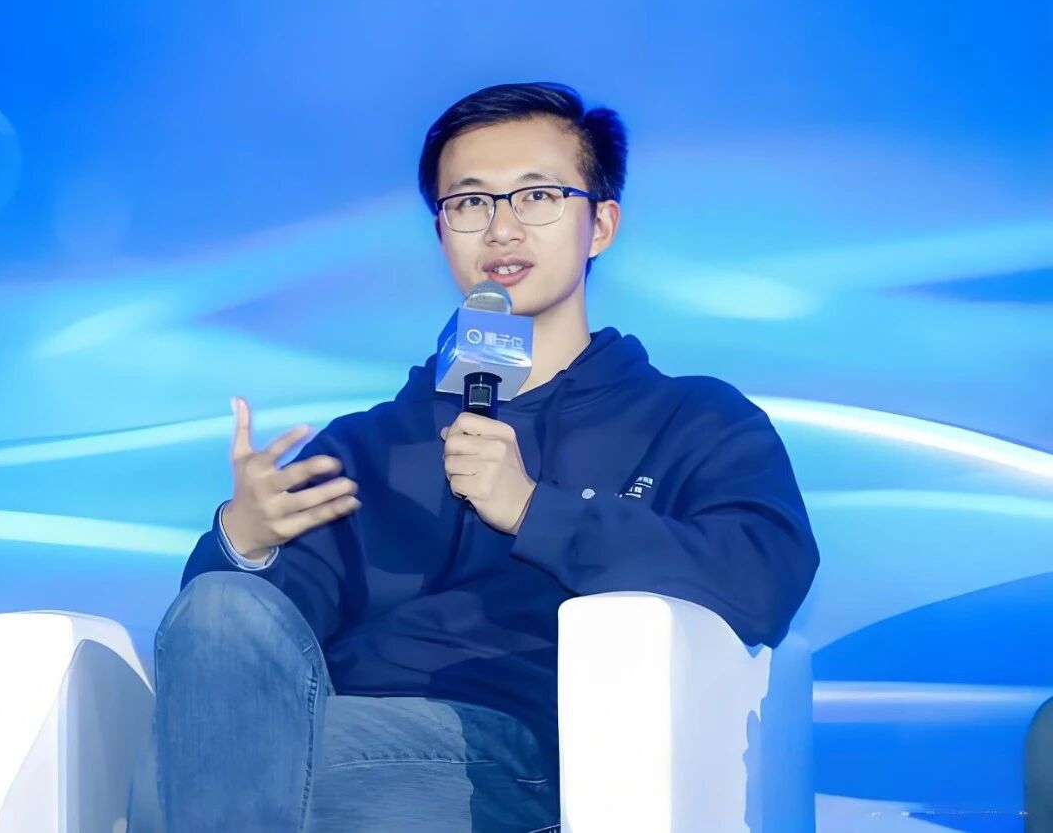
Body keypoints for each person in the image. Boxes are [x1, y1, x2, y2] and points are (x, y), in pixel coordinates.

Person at [127, 81, 820, 832]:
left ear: (600, 224)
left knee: (184, 779)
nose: (501, 228)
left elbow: (763, 577)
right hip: (334, 723)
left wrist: (535, 510)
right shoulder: (366, 444)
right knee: (219, 619)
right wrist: (245, 543)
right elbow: (231, 664)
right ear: (441, 232)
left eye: (537, 196)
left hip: (522, 754)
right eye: (470, 202)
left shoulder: (690, 418)